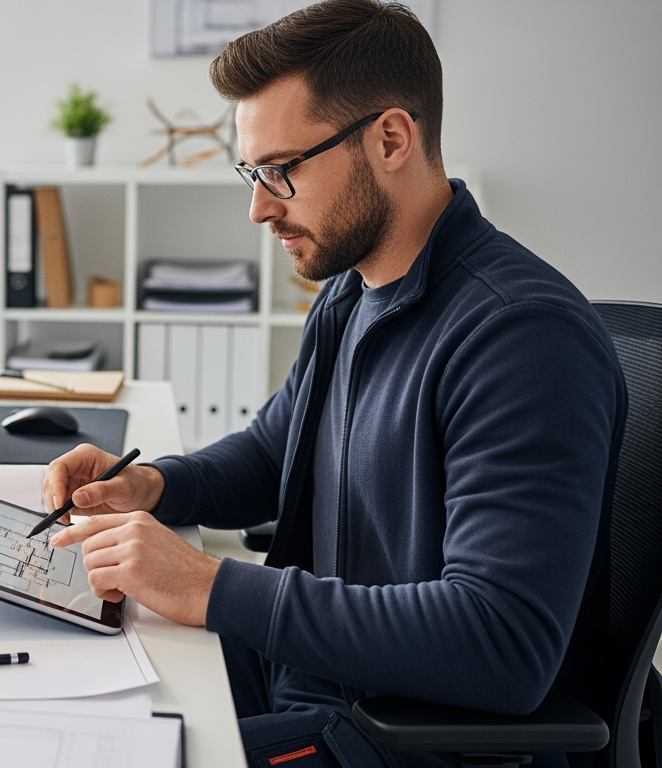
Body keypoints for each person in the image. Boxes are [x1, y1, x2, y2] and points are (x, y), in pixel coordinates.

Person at [44, 2, 626, 766]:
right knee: (57, 690)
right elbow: (272, 454)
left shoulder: (521, 337)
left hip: (408, 734)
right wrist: (150, 486)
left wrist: (209, 585)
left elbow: (502, 642)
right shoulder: (353, 293)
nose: (259, 206)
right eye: (252, 172)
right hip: (323, 682)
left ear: (391, 138)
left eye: (282, 169)